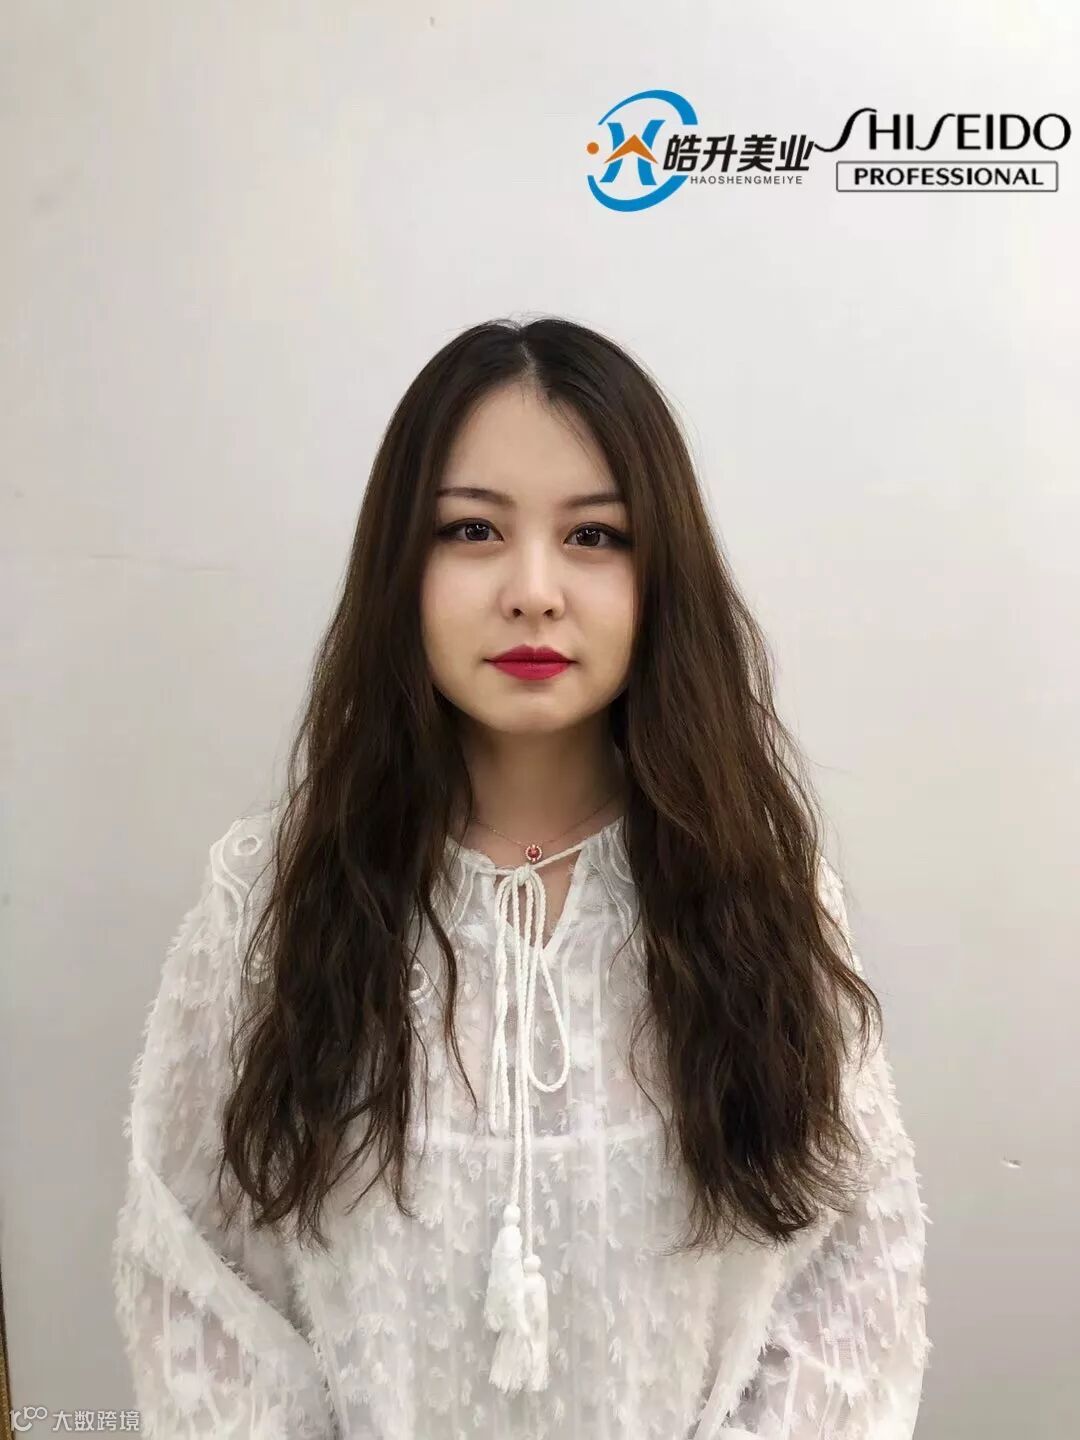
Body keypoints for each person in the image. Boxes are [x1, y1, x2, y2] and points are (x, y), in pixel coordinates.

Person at [112, 316, 931, 1438]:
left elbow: (851, 1278)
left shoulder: (764, 895)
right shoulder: (270, 901)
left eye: (594, 535)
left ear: (661, 574)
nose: (534, 590)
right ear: (400, 566)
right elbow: (196, 1281)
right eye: (473, 530)